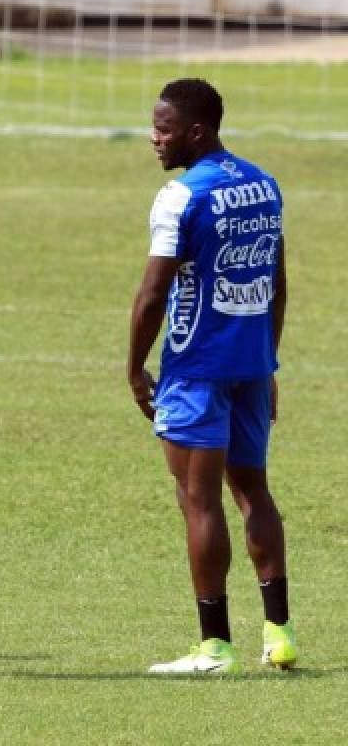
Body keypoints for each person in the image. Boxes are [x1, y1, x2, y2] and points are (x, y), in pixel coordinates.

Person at [128, 78, 295, 674]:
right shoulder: (263, 184)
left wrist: (132, 369)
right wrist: (269, 363)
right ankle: (279, 633)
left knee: (199, 502)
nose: (154, 137)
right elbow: (277, 284)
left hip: (196, 369)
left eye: (165, 128)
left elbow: (153, 294)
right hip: (250, 364)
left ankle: (214, 646)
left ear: (197, 131)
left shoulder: (181, 196)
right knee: (254, 492)